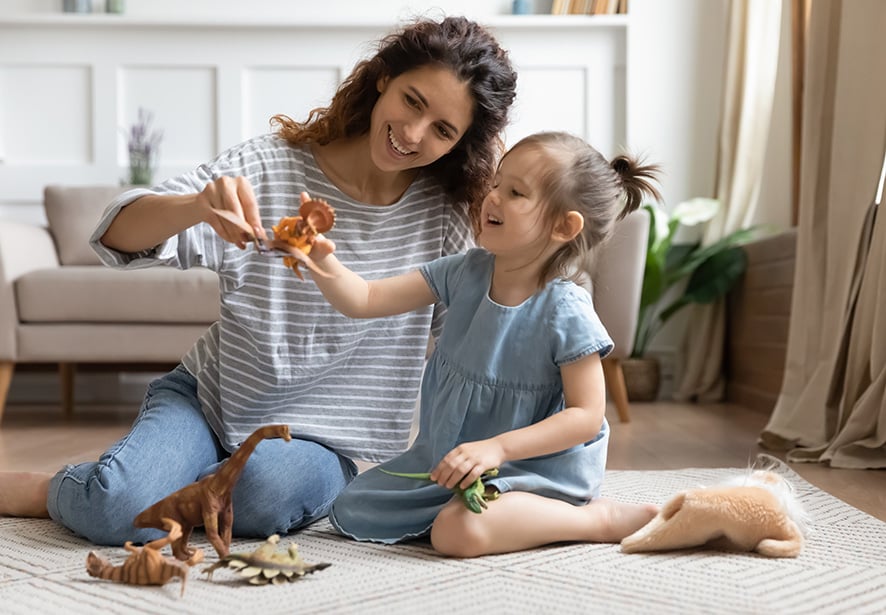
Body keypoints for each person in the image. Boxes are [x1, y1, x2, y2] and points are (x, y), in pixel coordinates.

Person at [0, 16, 518, 547]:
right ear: (384, 77)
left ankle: (173, 487)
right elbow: (117, 234)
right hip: (208, 403)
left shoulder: (446, 220)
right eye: (413, 100)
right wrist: (197, 206)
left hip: (320, 441)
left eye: (443, 129)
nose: (413, 133)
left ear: (460, 144)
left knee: (263, 494)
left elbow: (470, 345)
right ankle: (62, 489)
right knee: (115, 510)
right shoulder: (270, 168)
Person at [305, 131, 662, 557]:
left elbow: (586, 416)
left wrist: (498, 448)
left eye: (515, 192)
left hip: (534, 469)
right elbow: (364, 298)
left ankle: (592, 518)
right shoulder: (464, 272)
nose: (492, 197)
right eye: (496, 183)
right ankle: (474, 512)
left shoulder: (566, 309)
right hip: (451, 463)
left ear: (563, 226)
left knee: (457, 534)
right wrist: (317, 255)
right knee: (351, 508)